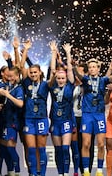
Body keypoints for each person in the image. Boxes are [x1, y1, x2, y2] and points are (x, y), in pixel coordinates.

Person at [74, 58, 112, 176]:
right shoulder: (85, 80)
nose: (92, 69)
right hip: (87, 115)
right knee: (86, 144)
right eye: (90, 67)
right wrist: (74, 65)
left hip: (99, 115)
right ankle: (86, 171)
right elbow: (77, 74)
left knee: (101, 144)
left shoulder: (103, 80)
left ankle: (99, 170)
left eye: (94, 67)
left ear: (98, 68)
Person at [20, 40, 49, 176]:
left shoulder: (45, 84)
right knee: (31, 149)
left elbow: (53, 74)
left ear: (39, 73)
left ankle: (41, 173)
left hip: (42, 118)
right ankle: (33, 173)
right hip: (29, 119)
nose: (32, 75)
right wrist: (25, 50)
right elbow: (21, 68)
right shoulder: (27, 83)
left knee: (41, 148)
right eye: (31, 73)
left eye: (35, 72)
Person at [48, 41, 75, 176]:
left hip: (66, 121)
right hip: (55, 121)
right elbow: (53, 70)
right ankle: (60, 173)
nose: (60, 80)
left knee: (65, 148)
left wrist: (68, 53)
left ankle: (66, 173)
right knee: (57, 149)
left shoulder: (70, 85)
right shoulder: (52, 86)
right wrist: (53, 53)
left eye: (62, 78)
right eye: (58, 78)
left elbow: (69, 69)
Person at [0, 67, 24, 176]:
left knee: (11, 148)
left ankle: (17, 172)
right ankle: (11, 172)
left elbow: (20, 104)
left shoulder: (19, 89)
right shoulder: (8, 87)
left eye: (12, 76)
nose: (9, 78)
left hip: (12, 122)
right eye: (8, 76)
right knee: (4, 149)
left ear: (17, 76)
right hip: (5, 121)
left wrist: (7, 95)